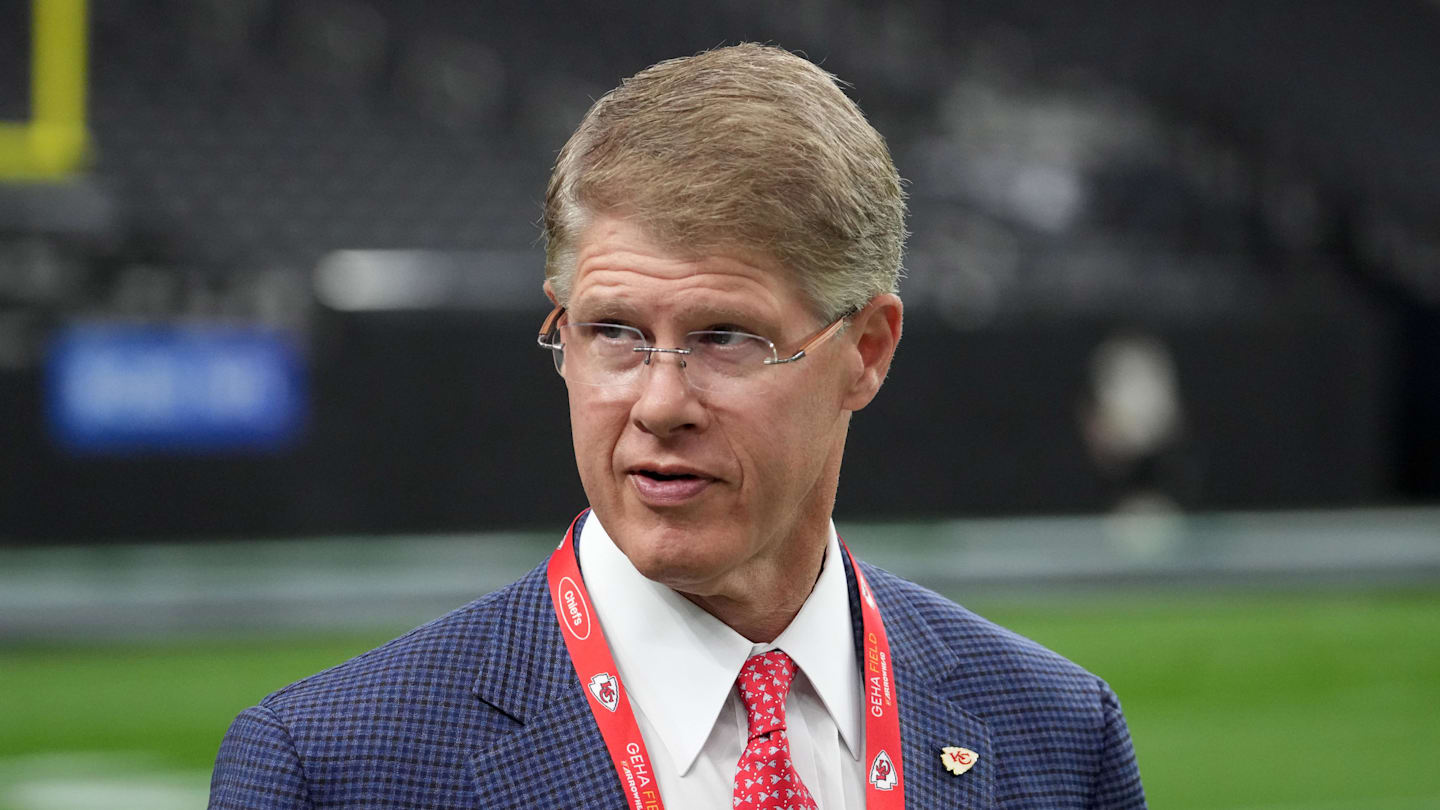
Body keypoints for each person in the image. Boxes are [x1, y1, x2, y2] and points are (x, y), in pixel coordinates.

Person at [209, 43, 1146, 809]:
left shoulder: (1060, 737)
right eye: (614, 332)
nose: (660, 405)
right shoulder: (331, 770)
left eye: (725, 337)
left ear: (866, 351)